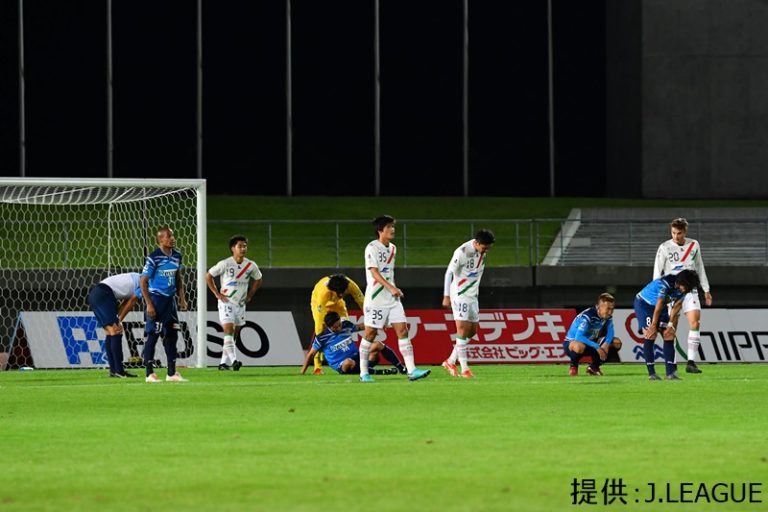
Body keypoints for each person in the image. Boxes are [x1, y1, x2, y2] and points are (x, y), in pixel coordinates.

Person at [359, 215, 430, 382]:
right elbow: (374, 272)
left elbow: (388, 273)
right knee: (370, 333)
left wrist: (393, 289)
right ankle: (363, 373)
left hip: (392, 299)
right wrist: (391, 287)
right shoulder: (372, 248)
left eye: (393, 226)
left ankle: (412, 370)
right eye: (389, 227)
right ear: (380, 230)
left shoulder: (393, 248)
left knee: (403, 330)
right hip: (376, 299)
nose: (392, 229)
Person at [653, 217, 712, 374]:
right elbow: (657, 272)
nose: (676, 236)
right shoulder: (664, 247)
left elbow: (699, 267)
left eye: (679, 233)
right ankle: (671, 363)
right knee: (671, 327)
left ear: (685, 232)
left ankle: (691, 362)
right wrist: (657, 293)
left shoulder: (694, 245)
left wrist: (706, 290)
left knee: (695, 322)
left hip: (690, 291)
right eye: (673, 233)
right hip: (672, 292)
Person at [441, 229, 496, 378]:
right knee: (462, 330)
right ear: (477, 243)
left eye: (488, 248)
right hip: (460, 294)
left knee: (472, 332)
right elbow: (449, 272)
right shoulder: (462, 252)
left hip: (473, 296)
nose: (487, 250)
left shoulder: (481, 251)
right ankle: (465, 369)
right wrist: (446, 295)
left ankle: (450, 361)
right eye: (485, 247)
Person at [205, 234, 263, 371]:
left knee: (234, 333)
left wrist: (250, 295)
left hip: (240, 304)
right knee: (228, 329)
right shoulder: (225, 263)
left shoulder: (250, 265)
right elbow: (208, 275)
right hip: (226, 301)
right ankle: (234, 361)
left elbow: (259, 279)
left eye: (245, 246)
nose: (243, 249)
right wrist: (217, 293)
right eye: (240, 246)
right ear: (233, 248)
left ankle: (222, 363)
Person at [140, 226, 189, 383]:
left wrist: (182, 299)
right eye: (168, 236)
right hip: (156, 300)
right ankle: (149, 374)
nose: (172, 239)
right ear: (160, 239)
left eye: (172, 236)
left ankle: (171, 373)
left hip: (170, 301)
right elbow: (143, 281)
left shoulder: (177, 256)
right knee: (153, 336)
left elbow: (178, 278)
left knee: (172, 335)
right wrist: (149, 304)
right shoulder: (154, 258)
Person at [634, 269, 700, 381]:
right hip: (645, 304)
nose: (687, 290)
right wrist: (653, 325)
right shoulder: (665, 283)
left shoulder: (684, 289)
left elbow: (677, 305)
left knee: (669, 334)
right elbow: (659, 304)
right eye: (687, 287)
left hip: (661, 306)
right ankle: (652, 374)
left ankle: (670, 374)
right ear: (682, 282)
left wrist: (670, 324)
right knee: (651, 334)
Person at [299, 312, 406, 376]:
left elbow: (360, 327)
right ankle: (381, 372)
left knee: (377, 344)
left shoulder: (346, 325)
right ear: (329, 327)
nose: (339, 328)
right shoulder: (322, 337)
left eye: (339, 324)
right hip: (342, 365)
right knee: (348, 362)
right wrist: (302, 372)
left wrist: (377, 325)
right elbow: (311, 354)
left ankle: (401, 368)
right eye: (336, 327)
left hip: (357, 357)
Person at [308, 273, 366, 375]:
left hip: (337, 304)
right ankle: (317, 365)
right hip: (319, 304)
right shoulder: (323, 293)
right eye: (338, 293)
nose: (341, 295)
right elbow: (321, 321)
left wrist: (370, 318)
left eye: (343, 293)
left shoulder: (350, 285)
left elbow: (361, 300)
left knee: (345, 326)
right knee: (320, 330)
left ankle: (348, 358)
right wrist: (325, 330)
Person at [87, 272, 142, 378]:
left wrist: (118, 318)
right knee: (116, 331)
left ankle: (114, 370)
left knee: (110, 332)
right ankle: (119, 371)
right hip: (104, 294)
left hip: (97, 293)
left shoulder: (139, 278)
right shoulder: (147, 283)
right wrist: (119, 320)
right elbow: (132, 302)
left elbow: (126, 302)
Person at [562, 293, 622, 377]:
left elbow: (610, 331)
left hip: (590, 343)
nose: (610, 312)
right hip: (573, 344)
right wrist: (597, 346)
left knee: (616, 343)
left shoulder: (608, 316)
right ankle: (573, 366)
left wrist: (606, 344)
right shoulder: (588, 316)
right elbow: (578, 337)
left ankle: (594, 367)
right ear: (599, 307)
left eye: (612, 309)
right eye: (608, 308)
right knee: (579, 346)